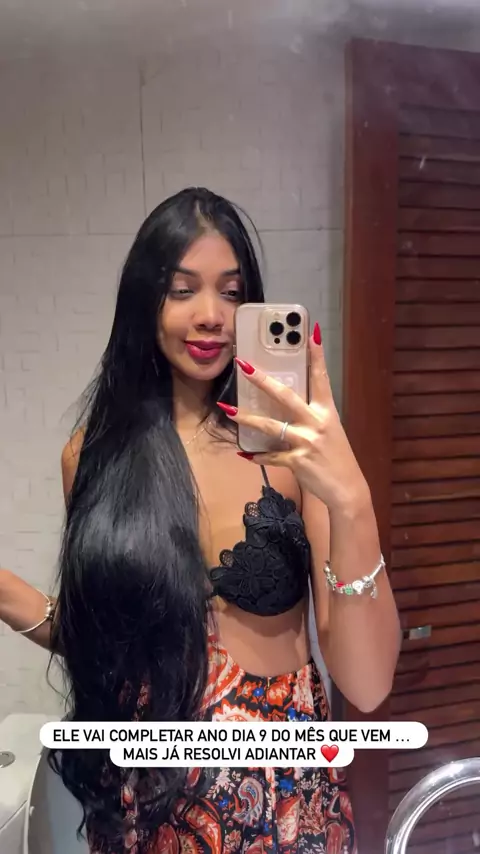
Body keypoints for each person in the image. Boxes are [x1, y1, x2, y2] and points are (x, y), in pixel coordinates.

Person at [0, 187, 400, 854]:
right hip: (144, 811)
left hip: (280, 807)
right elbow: (109, 648)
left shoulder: (293, 452)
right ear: (145, 302)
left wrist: (352, 501)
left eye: (232, 292)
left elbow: (367, 681)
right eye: (182, 289)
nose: (211, 315)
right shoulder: (94, 456)